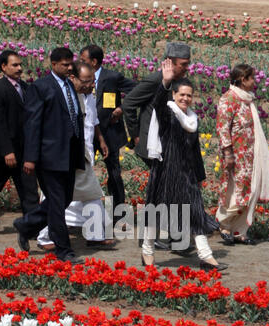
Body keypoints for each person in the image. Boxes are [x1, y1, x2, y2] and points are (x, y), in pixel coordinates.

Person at [141, 59, 227, 272]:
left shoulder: (192, 119)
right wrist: (166, 82)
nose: (186, 99)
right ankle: (147, 250)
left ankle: (206, 257)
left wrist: (199, 176)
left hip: (187, 176)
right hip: (166, 173)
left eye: (189, 95)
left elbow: (195, 151)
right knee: (157, 214)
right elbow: (157, 103)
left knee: (195, 213)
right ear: (174, 95)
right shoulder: (167, 113)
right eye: (182, 94)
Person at [13, 47, 85, 264]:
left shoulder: (70, 85)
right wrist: (30, 157)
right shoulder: (40, 87)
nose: (69, 67)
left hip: (69, 154)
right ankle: (64, 251)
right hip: (49, 155)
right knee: (55, 203)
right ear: (52, 64)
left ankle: (26, 225)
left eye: (70, 63)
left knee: (64, 200)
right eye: (64, 64)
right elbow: (33, 124)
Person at [37, 61, 115, 251]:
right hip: (62, 156)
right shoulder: (62, 96)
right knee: (56, 197)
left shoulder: (87, 95)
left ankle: (95, 234)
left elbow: (93, 120)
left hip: (83, 154)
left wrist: (101, 140)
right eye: (86, 81)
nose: (90, 85)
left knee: (92, 194)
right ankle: (43, 235)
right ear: (73, 78)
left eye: (92, 81)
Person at [123, 42, 191, 251]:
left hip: (168, 145)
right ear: (170, 62)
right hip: (153, 146)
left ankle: (168, 237)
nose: (186, 68)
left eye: (188, 64)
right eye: (183, 64)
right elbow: (129, 103)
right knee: (163, 190)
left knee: (167, 190)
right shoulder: (156, 80)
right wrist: (135, 136)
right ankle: (160, 238)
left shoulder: (179, 81)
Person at [216, 64, 269, 245]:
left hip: (250, 156)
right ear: (243, 79)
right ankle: (224, 225)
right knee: (237, 191)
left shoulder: (247, 100)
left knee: (250, 190)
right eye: (252, 78)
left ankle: (239, 231)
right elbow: (222, 128)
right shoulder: (228, 99)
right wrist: (228, 153)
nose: (255, 81)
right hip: (235, 155)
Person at [80, 44, 136, 219]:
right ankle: (82, 215)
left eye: (84, 60)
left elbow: (137, 90)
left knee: (114, 174)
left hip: (110, 133)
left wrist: (121, 108)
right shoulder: (79, 77)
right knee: (82, 172)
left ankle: (118, 214)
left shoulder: (112, 77)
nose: (80, 62)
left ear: (94, 62)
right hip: (88, 133)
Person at [0, 50, 39, 223]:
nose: (20, 68)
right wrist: (7, 151)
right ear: (3, 67)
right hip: (3, 154)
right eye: (15, 65)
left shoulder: (26, 88)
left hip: (23, 152)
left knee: (29, 191)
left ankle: (32, 226)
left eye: (20, 64)